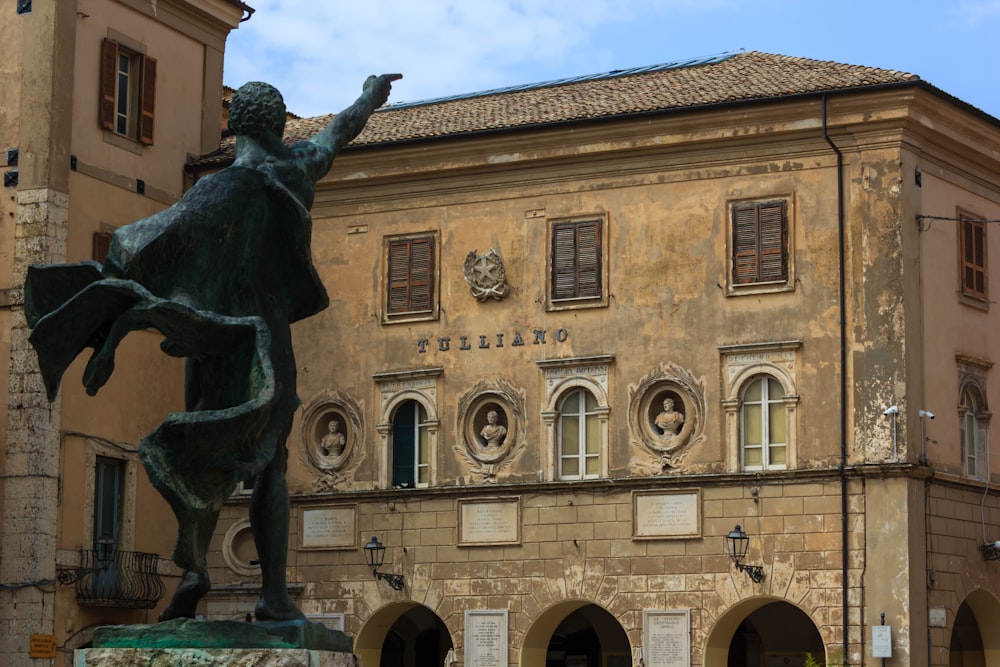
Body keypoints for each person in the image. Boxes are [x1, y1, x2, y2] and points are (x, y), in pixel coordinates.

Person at [24, 73, 401, 622]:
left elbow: (144, 242)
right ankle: (272, 596)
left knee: (201, 444)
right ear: (275, 124)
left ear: (236, 125)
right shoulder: (292, 171)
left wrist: (115, 318)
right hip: (264, 339)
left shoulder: (215, 188)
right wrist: (369, 95)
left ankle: (196, 566)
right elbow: (336, 134)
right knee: (269, 462)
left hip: (212, 338)